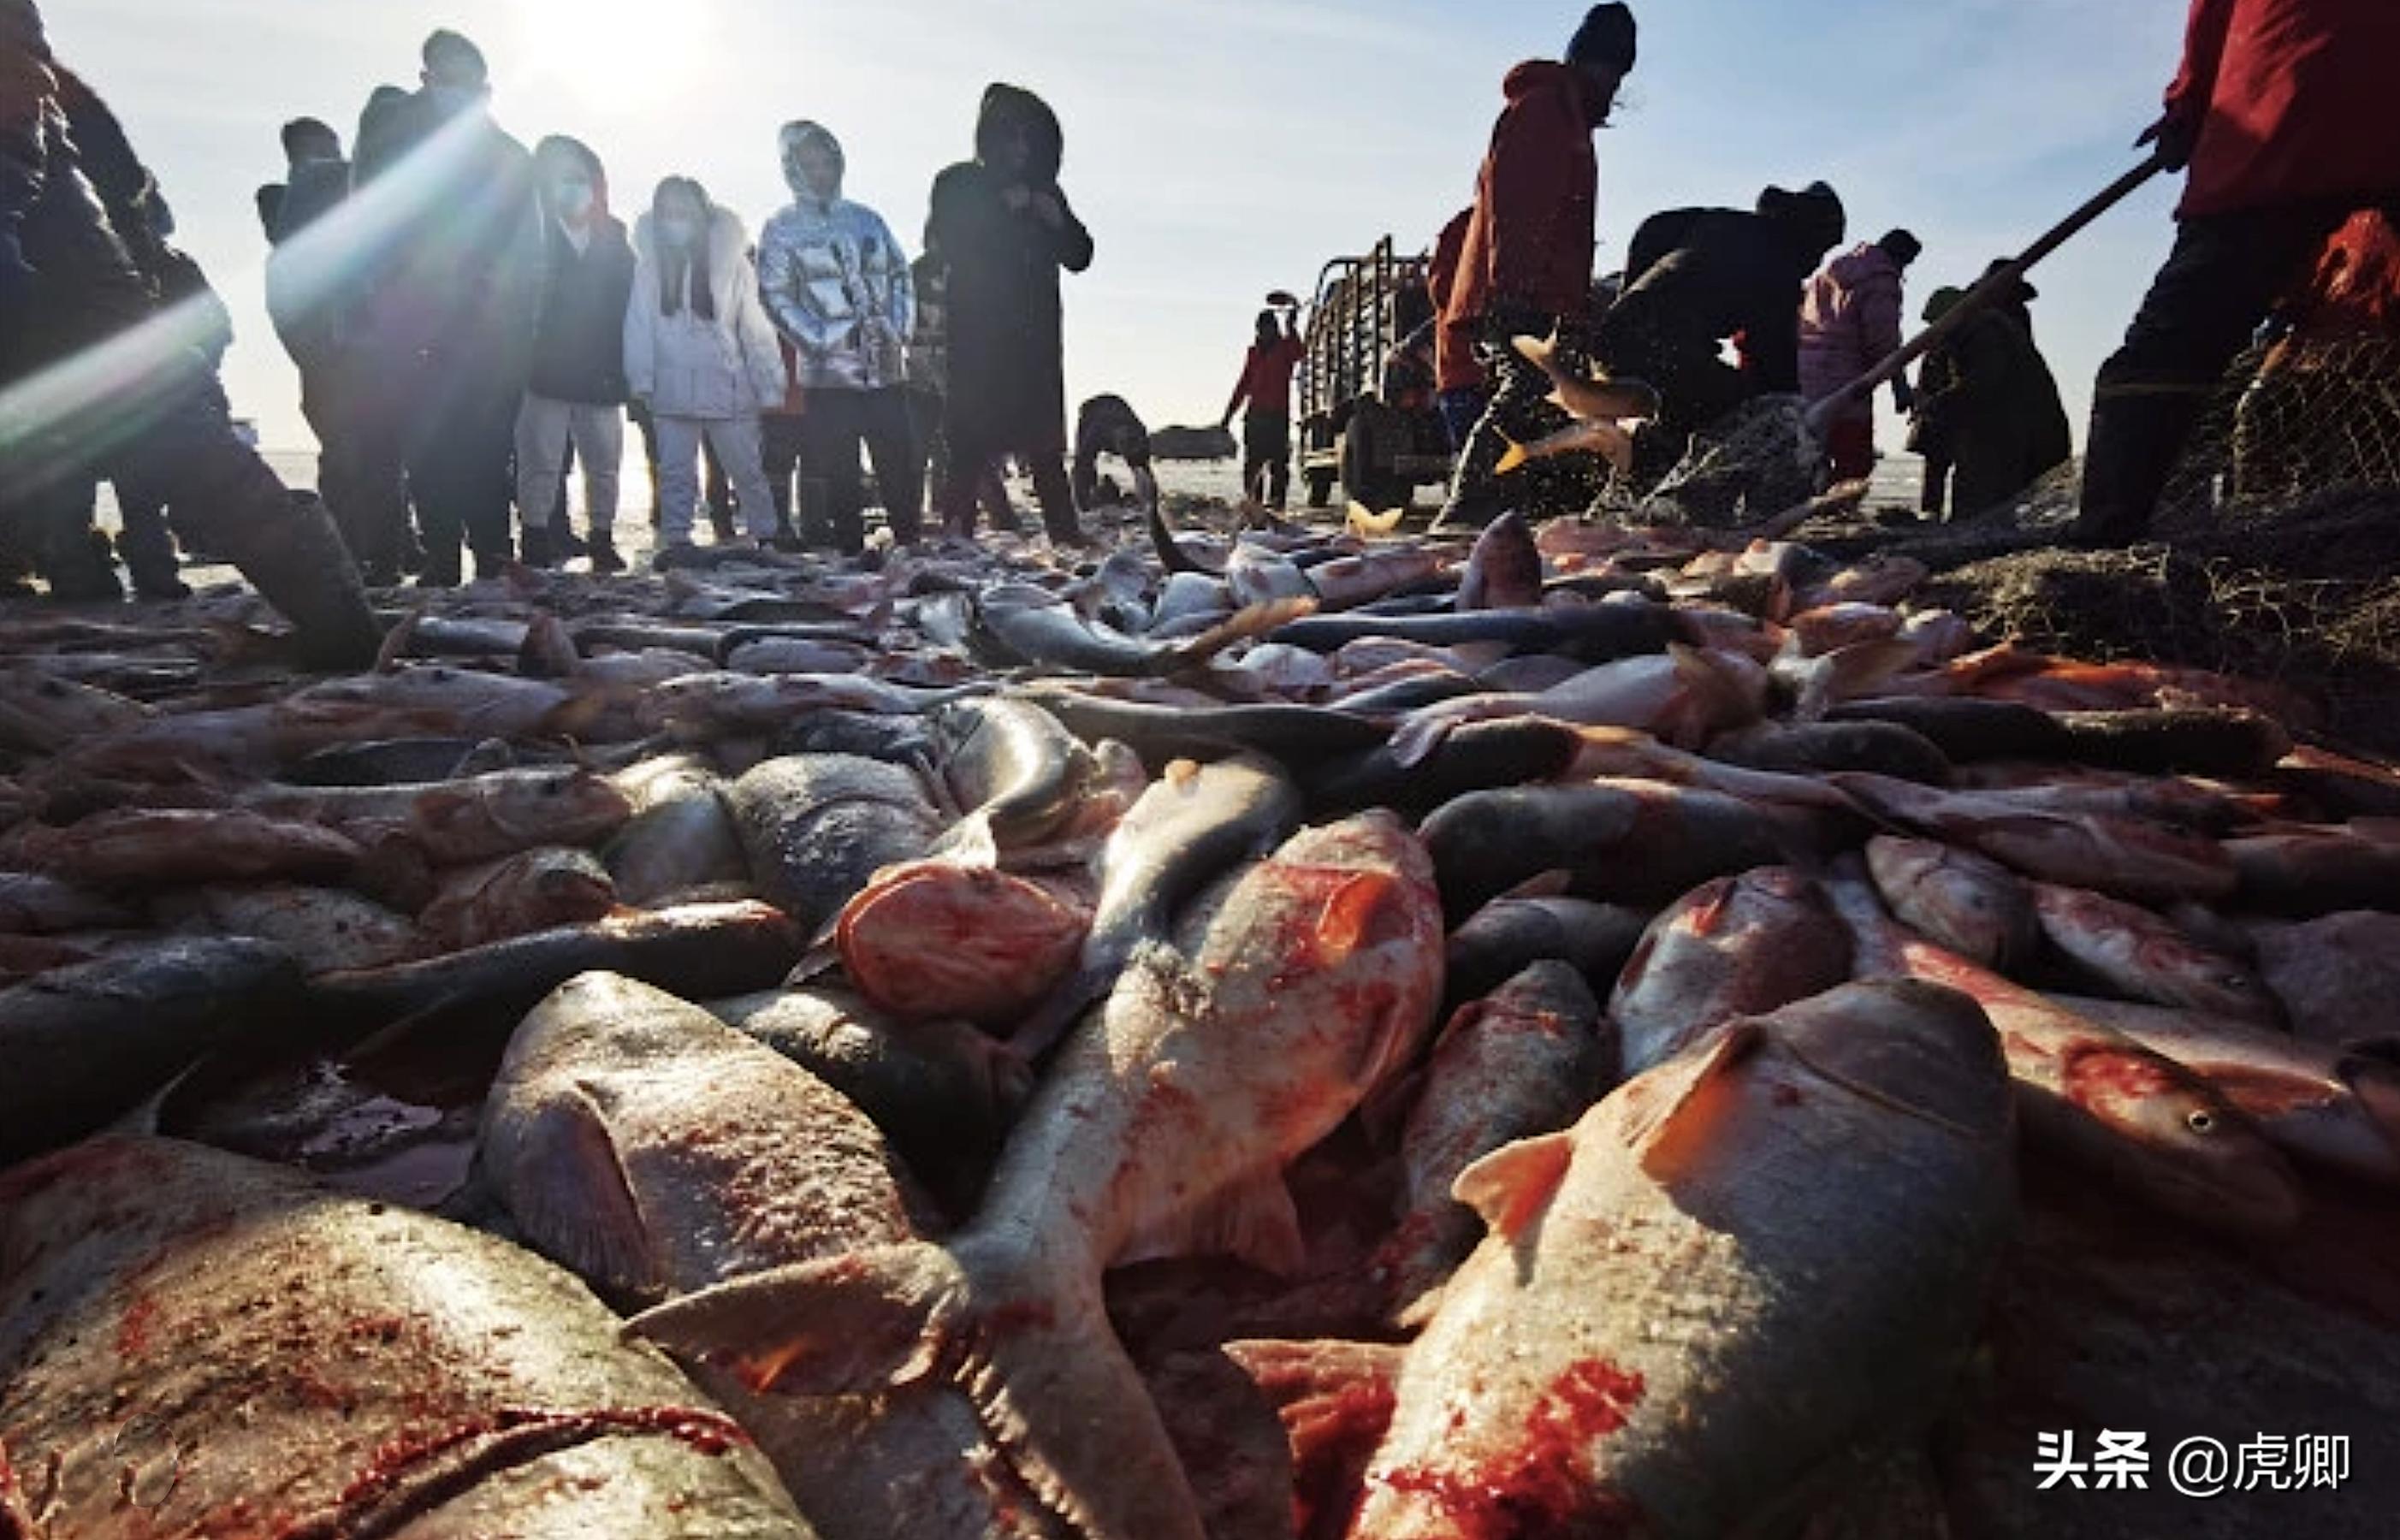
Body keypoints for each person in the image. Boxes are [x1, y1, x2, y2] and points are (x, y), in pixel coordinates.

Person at [0, 0, 377, 664]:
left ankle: (337, 621)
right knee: (165, 415)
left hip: (46, 208)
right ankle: (335, 617)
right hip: (68, 212)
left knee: (162, 416)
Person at [2071, 0, 2400, 546]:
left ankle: (2107, 530)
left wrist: (2188, 107)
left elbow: (2212, 15)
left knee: (2176, 335)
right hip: (2310, 96)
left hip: (2283, 98)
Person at [348, 30, 544, 586]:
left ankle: (492, 554)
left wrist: (521, 328)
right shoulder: (394, 145)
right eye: (442, 78)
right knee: (427, 445)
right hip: (413, 325)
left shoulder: (510, 157)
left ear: (485, 89)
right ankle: (440, 555)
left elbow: (528, 252)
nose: (452, 91)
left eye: (466, 81)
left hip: (493, 332)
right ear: (425, 80)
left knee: (488, 450)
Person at [1432, 4, 1638, 530]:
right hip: (1522, 292)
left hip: (1546, 297)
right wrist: (1515, 290)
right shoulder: (1546, 109)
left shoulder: (1568, 117)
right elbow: (1517, 204)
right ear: (1591, 64)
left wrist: (1576, 304)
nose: (1613, 86)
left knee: (1547, 406)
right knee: (1525, 393)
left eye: (1618, 74)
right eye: (1610, 70)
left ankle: (1537, 513)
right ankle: (1466, 510)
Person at [927, 83, 1093, 545]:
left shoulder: (1050, 192)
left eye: (1029, 138)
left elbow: (1081, 256)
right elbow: (949, 245)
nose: (1020, 149)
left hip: (1037, 347)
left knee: (1045, 452)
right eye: (1010, 137)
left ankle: (1065, 533)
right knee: (967, 448)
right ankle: (954, 537)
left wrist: (1055, 220)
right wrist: (1001, 211)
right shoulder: (958, 184)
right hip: (977, 344)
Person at [760, 121, 920, 554]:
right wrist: (822, 338)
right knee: (838, 470)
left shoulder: (867, 220)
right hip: (828, 377)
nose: (820, 172)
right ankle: (850, 549)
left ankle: (910, 543)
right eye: (808, 164)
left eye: (826, 162)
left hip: (885, 369)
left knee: (899, 462)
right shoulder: (781, 229)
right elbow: (775, 296)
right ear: (792, 169)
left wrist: (898, 329)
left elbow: (900, 275)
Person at [1596, 182, 1848, 445]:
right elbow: (1774, 363)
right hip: (1663, 353)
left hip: (1615, 335)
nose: (1819, 260)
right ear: (1810, 235)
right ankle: (1662, 470)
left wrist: (1626, 304)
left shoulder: (1720, 220)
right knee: (1750, 410)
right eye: (1823, 247)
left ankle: (1638, 459)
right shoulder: (1781, 265)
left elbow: (1652, 228)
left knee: (1695, 394)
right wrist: (1799, 415)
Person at [622, 176, 785, 569]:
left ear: (703, 213)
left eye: (684, 212)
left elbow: (755, 326)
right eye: (668, 213)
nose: (676, 221)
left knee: (745, 467)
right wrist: (641, 378)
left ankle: (765, 535)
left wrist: (768, 383)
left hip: (727, 384)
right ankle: (677, 538)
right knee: (675, 471)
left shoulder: (733, 263)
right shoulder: (649, 267)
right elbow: (638, 324)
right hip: (671, 387)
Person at [514, 135, 634, 573]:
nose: (572, 187)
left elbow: (630, 303)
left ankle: (602, 538)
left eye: (580, 178)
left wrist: (630, 368)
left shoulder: (615, 236)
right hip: (542, 369)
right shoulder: (531, 233)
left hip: (602, 370)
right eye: (561, 178)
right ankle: (535, 537)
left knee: (604, 463)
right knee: (539, 461)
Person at [1917, 274, 2072, 521]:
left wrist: (1937, 403)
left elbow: (1983, 382)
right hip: (2011, 429)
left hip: (2012, 431)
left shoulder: (1983, 331)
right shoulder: (1971, 333)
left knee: (1985, 503)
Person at [906, 225, 1015, 535]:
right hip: (919, 377)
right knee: (917, 451)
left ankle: (978, 514)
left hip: (959, 379)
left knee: (964, 452)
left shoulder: (971, 276)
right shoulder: (913, 275)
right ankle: (913, 517)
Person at [1799, 228, 1921, 483]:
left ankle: (1806, 509)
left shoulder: (1831, 272)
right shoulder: (1880, 279)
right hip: (1847, 380)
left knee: (1810, 455)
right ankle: (1835, 515)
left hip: (1806, 376)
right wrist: (1899, 386)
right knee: (1852, 463)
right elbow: (1883, 340)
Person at [1218, 309, 1305, 509]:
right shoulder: (1253, 353)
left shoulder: (1285, 348)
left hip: (1277, 418)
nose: (1265, 332)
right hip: (1256, 417)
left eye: (1269, 327)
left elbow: (1300, 352)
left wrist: (1292, 327)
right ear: (1257, 330)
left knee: (1279, 467)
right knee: (1253, 466)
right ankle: (1254, 506)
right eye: (1261, 328)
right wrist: (1228, 416)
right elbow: (1243, 385)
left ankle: (1276, 507)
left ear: (1274, 328)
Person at [1427, 206, 1487, 452]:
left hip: (1506, 374)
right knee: (1474, 458)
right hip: (1464, 373)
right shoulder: (1462, 228)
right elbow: (1441, 291)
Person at [1910, 286, 1963, 517]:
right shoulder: (1935, 346)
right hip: (1938, 417)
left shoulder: (1959, 342)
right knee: (1935, 471)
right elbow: (1925, 381)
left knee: (1958, 471)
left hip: (1955, 415)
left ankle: (1948, 515)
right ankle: (1932, 515)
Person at [256, 116, 345, 246]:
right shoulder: (273, 196)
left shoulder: (346, 181)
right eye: (324, 149)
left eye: (336, 150)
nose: (336, 154)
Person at [1073, 394, 1157, 512]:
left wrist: (1152, 510)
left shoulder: (1139, 436)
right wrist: (1083, 508)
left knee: (1141, 468)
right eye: (1124, 444)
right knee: (1083, 463)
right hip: (1092, 411)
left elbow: (1145, 475)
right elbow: (1081, 464)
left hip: (1120, 414)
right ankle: (1084, 504)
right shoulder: (1096, 431)